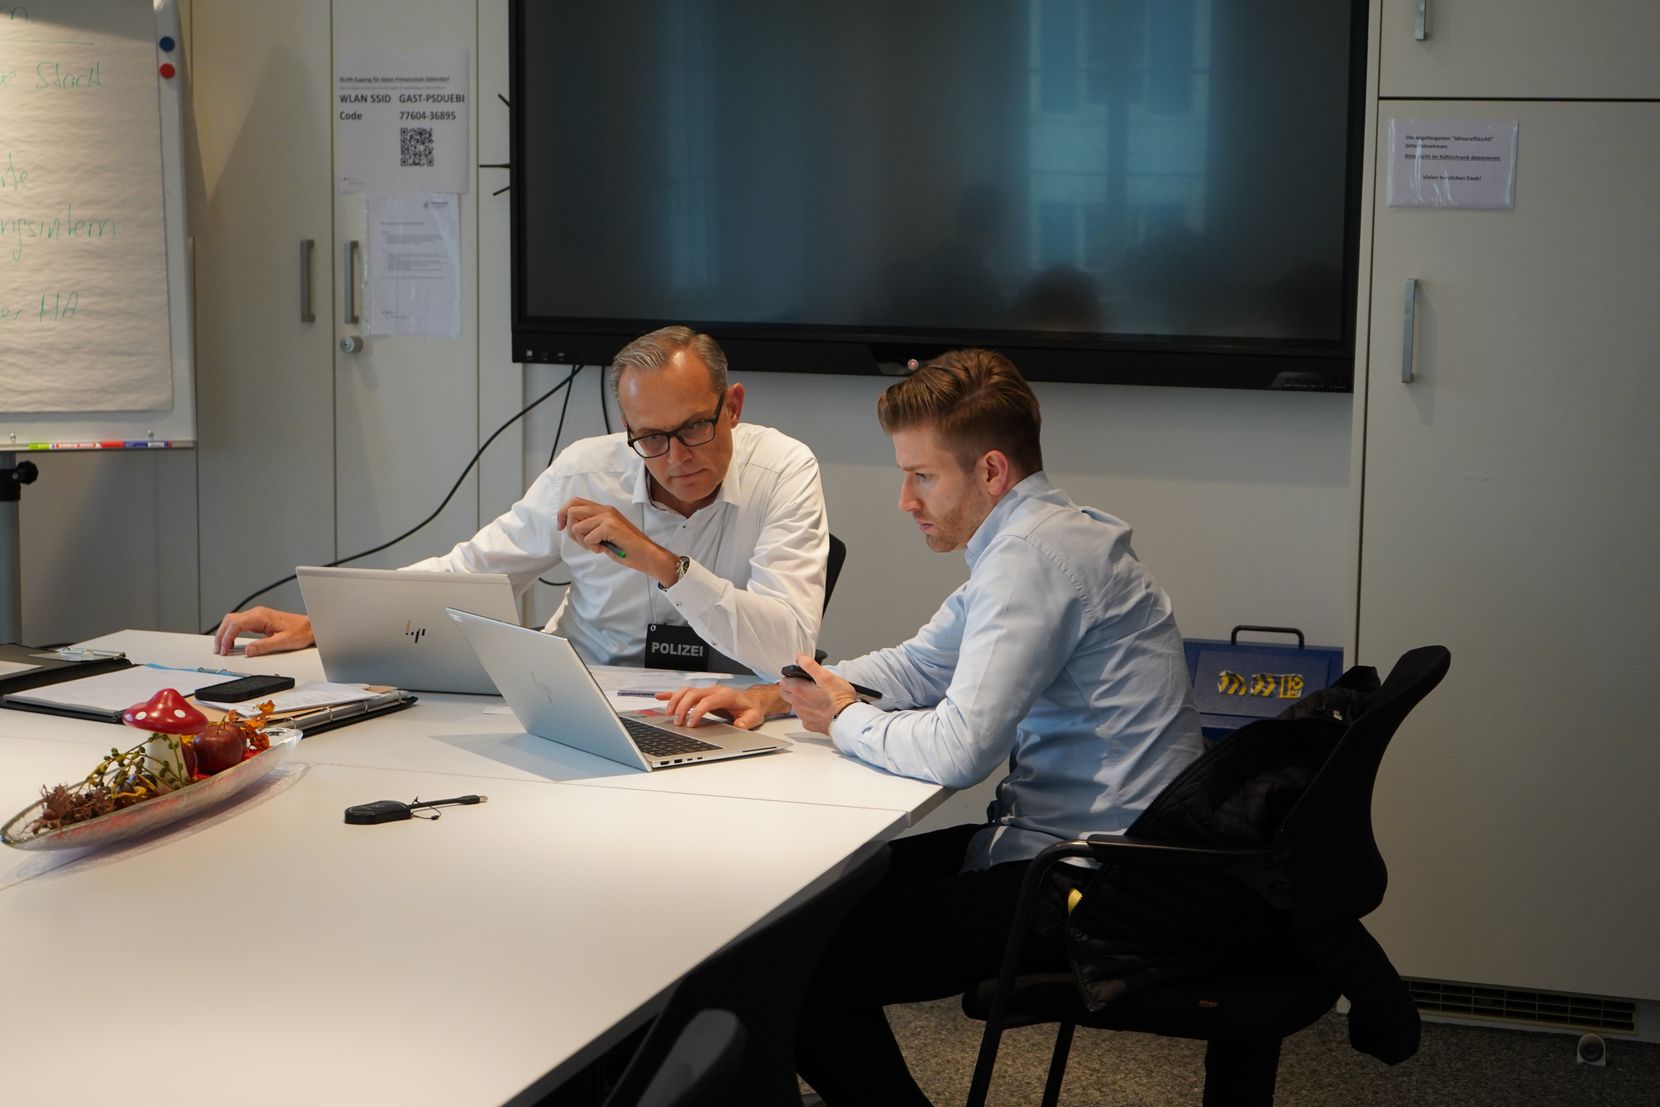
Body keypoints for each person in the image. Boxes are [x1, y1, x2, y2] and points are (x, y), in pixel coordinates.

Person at [663, 348, 1203, 1105]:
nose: (905, 499)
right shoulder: (1041, 535)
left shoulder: (1030, 559)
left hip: (1092, 883)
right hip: (1071, 850)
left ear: (990, 471)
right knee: (806, 911)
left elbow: (958, 750)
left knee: (799, 964)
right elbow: (920, 665)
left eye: (922, 476)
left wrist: (844, 717)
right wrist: (780, 694)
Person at [213, 326, 829, 678]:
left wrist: (662, 564)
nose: (677, 457)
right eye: (651, 438)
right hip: (592, 702)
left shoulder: (783, 469)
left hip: (725, 711)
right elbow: (471, 573)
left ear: (735, 408)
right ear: (628, 429)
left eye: (696, 427)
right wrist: (328, 622)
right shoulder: (587, 471)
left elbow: (787, 650)